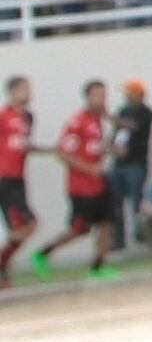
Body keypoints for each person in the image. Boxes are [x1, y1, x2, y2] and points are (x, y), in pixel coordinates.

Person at [29, 80, 116, 277]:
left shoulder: (98, 122)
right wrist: (89, 168)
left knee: (108, 223)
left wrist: (110, 151)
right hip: (82, 187)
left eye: (104, 94)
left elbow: (93, 149)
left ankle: (99, 266)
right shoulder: (78, 122)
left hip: (100, 184)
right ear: (88, 97)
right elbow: (63, 153)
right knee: (79, 229)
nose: (102, 99)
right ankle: (43, 253)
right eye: (97, 95)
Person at [108, 78, 152, 250]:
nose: (127, 96)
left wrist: (108, 116)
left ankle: (142, 236)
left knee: (137, 201)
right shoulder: (123, 111)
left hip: (135, 164)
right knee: (115, 203)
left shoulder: (146, 112)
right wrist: (112, 147)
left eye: (130, 93)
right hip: (119, 164)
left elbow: (134, 127)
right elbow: (116, 133)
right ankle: (118, 240)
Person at [0, 75, 33, 283]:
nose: (28, 93)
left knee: (27, 226)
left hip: (18, 178)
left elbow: (23, 144)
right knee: (24, 225)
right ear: (11, 92)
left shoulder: (28, 117)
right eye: (23, 89)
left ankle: (3, 266)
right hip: (5, 178)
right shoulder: (4, 116)